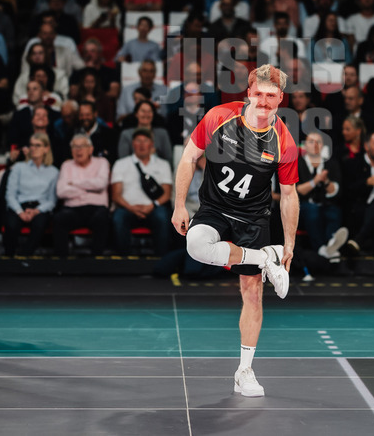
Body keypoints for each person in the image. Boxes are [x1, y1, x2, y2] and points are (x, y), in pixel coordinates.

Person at [170, 64, 299, 397]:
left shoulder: (284, 140)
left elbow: (288, 195)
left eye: (271, 96)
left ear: (280, 98)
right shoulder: (220, 116)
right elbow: (189, 157)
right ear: (248, 93)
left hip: (253, 217)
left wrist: (288, 244)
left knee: (252, 292)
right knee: (195, 245)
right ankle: (264, 258)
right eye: (259, 94)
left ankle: (245, 371)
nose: (264, 102)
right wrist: (180, 204)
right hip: (214, 208)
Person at [111, 129, 174, 256]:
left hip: (154, 207)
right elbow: (116, 195)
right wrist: (131, 208)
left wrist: (151, 206)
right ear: (132, 144)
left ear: (152, 144)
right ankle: (124, 260)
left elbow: (167, 194)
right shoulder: (120, 164)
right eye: (138, 141)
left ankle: (162, 259)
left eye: (145, 141)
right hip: (127, 208)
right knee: (118, 218)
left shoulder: (163, 164)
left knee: (162, 217)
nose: (142, 144)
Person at [53, 134, 111, 258]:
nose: (78, 150)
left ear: (90, 149)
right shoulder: (66, 165)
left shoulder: (102, 162)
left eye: (82, 146)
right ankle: (61, 263)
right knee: (58, 219)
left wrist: (73, 183)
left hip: (96, 207)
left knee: (102, 219)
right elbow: (61, 192)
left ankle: (96, 261)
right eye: (75, 147)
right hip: (72, 208)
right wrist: (88, 190)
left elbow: (100, 184)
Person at [3, 133, 60, 257]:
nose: (33, 148)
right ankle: (8, 259)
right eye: (31, 145)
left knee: (40, 224)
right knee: (11, 224)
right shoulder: (19, 167)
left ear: (46, 148)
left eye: (38, 145)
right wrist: (20, 212)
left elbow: (52, 200)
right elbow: (10, 194)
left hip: (40, 208)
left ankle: (25, 257)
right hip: (19, 206)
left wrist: (36, 211)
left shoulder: (53, 172)